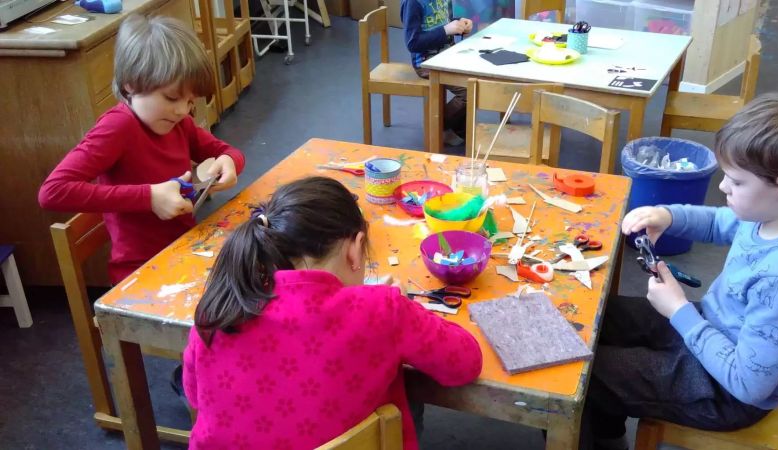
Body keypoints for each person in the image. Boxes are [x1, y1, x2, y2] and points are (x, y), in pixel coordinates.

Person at [584, 86, 778, 450]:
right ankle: (606, 428)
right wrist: (669, 215)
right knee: (597, 320)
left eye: (736, 181)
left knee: (585, 375)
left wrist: (678, 311)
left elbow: (746, 383)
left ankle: (599, 434)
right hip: (714, 331)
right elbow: (722, 223)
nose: (722, 185)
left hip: (725, 392)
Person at [183, 177, 483, 449]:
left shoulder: (218, 309)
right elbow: (465, 363)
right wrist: (405, 307)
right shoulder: (381, 308)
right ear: (355, 249)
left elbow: (194, 396)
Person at [38, 14, 245, 284]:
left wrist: (229, 161)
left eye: (190, 101)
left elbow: (227, 151)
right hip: (141, 273)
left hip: (185, 251)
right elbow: (52, 192)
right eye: (171, 98)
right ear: (131, 84)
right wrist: (148, 197)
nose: (183, 110)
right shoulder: (118, 127)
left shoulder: (178, 122)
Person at [401, 0, 473, 146]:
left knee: (478, 79)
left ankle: (456, 129)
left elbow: (442, 22)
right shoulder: (413, 3)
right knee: (469, 91)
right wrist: (446, 30)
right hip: (426, 62)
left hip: (448, 55)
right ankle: (439, 125)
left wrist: (459, 24)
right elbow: (412, 42)